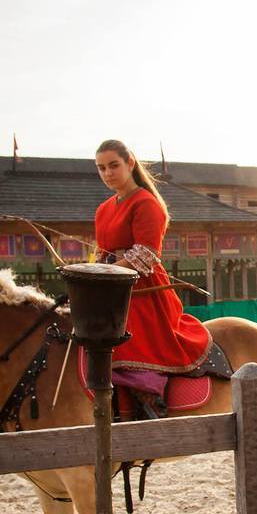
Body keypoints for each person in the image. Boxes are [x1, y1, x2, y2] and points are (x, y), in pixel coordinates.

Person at [93, 139, 212, 413]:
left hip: (142, 287)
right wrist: (93, 271)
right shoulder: (103, 209)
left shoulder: (146, 203)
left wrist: (107, 271)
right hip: (108, 285)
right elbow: (102, 252)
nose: (108, 173)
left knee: (123, 337)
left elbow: (145, 255)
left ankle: (147, 397)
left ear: (130, 164)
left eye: (114, 165)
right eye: (101, 168)